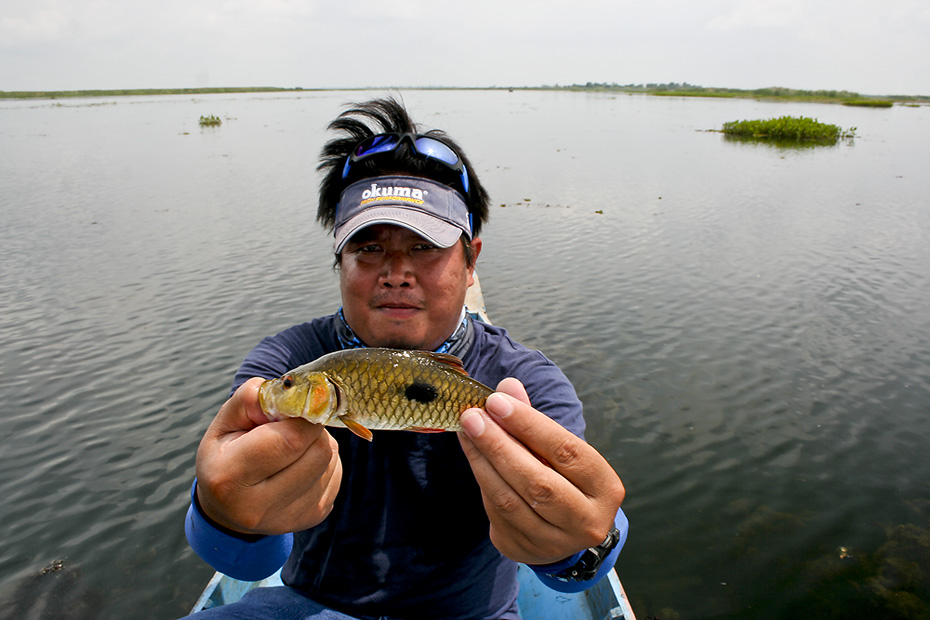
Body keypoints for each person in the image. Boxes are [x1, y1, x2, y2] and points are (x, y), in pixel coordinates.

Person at [182, 97, 627, 620]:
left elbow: (578, 564)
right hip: (308, 606)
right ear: (339, 259)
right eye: (368, 248)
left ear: (470, 262)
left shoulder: (527, 383)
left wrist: (580, 544)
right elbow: (250, 564)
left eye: (423, 247)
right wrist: (224, 513)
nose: (396, 271)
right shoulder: (288, 361)